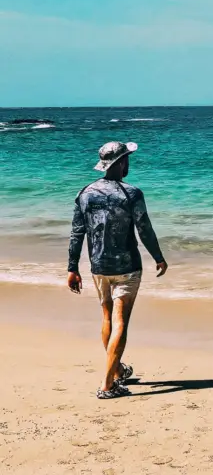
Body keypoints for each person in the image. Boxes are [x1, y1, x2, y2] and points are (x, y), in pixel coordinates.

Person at [67, 141, 168, 400]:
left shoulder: (85, 193)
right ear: (121, 162)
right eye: (127, 159)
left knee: (107, 319)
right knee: (121, 322)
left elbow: (78, 232)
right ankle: (107, 384)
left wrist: (72, 268)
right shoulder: (132, 194)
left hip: (98, 267)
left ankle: (118, 369)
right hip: (127, 266)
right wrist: (158, 257)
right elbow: (144, 229)